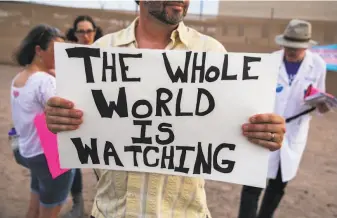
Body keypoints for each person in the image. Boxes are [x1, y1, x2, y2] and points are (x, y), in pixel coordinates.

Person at [45, 1, 286, 217]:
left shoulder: (211, 53)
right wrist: (59, 119)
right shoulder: (101, 50)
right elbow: (79, 126)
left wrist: (264, 132)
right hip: (112, 211)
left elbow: (234, 128)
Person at [237, 19, 329, 218]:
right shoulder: (271, 61)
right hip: (266, 128)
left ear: (306, 46)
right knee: (253, 183)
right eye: (288, 46)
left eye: (296, 47)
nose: (291, 51)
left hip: (294, 130)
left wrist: (321, 105)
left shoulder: (318, 65)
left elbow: (318, 99)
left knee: (278, 185)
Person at [11, 24, 75, 218]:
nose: (60, 56)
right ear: (39, 50)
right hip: (50, 153)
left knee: (35, 205)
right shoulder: (45, 81)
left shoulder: (20, 77)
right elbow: (69, 108)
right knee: (50, 211)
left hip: (30, 150)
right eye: (56, 51)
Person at [62, 15, 103, 218]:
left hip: (103, 115)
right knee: (73, 160)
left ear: (95, 31)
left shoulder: (106, 53)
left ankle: (102, 204)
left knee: (104, 161)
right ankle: (78, 203)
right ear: (74, 33)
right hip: (77, 115)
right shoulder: (68, 56)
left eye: (89, 30)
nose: (86, 35)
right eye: (81, 31)